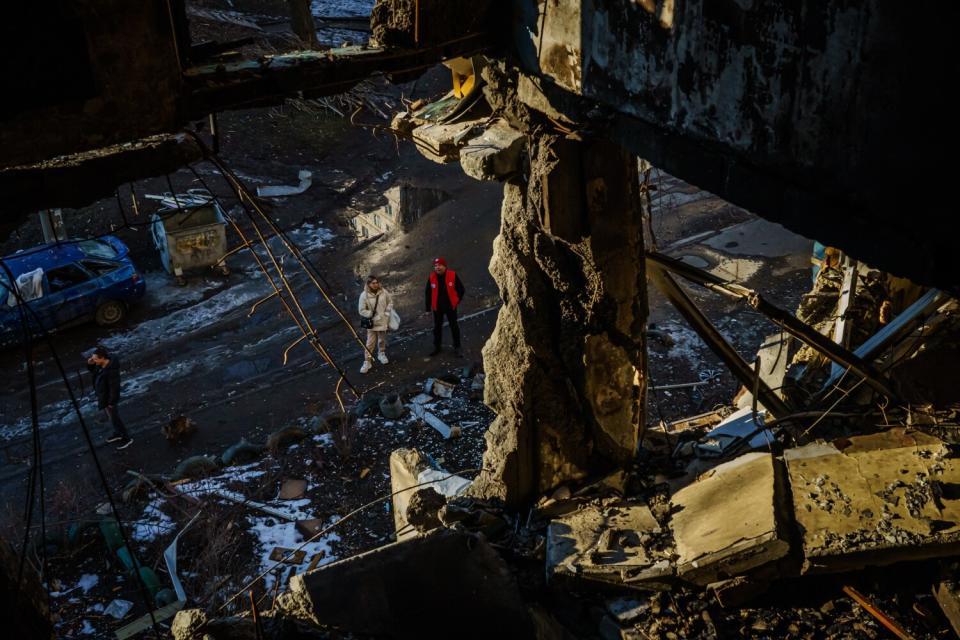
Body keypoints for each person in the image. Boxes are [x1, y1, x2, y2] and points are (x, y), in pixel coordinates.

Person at [86, 345, 133, 450]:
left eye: (95, 359)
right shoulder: (101, 365)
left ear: (102, 358)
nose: (94, 361)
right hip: (104, 396)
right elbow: (94, 372)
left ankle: (126, 438)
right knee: (112, 418)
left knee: (115, 417)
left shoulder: (111, 371)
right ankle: (118, 433)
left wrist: (111, 402)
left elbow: (114, 388)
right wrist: (90, 364)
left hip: (109, 398)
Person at [424, 257, 465, 357]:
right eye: (435, 266)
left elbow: (461, 289)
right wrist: (428, 309)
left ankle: (457, 347)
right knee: (437, 328)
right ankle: (437, 347)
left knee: (454, 326)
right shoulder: (432, 277)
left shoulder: (452, 275)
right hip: (437, 308)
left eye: (439, 265)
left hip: (450, 306)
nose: (437, 267)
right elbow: (428, 293)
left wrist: (456, 301)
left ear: (444, 266)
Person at [357, 275, 393, 373]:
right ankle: (367, 361)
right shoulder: (364, 295)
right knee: (370, 343)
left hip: (382, 321)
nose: (376, 284)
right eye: (373, 283)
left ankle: (381, 353)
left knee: (382, 339)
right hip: (372, 322)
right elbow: (361, 310)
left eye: (377, 282)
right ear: (368, 284)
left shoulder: (383, 292)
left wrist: (387, 312)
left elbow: (390, 302)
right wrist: (371, 314)